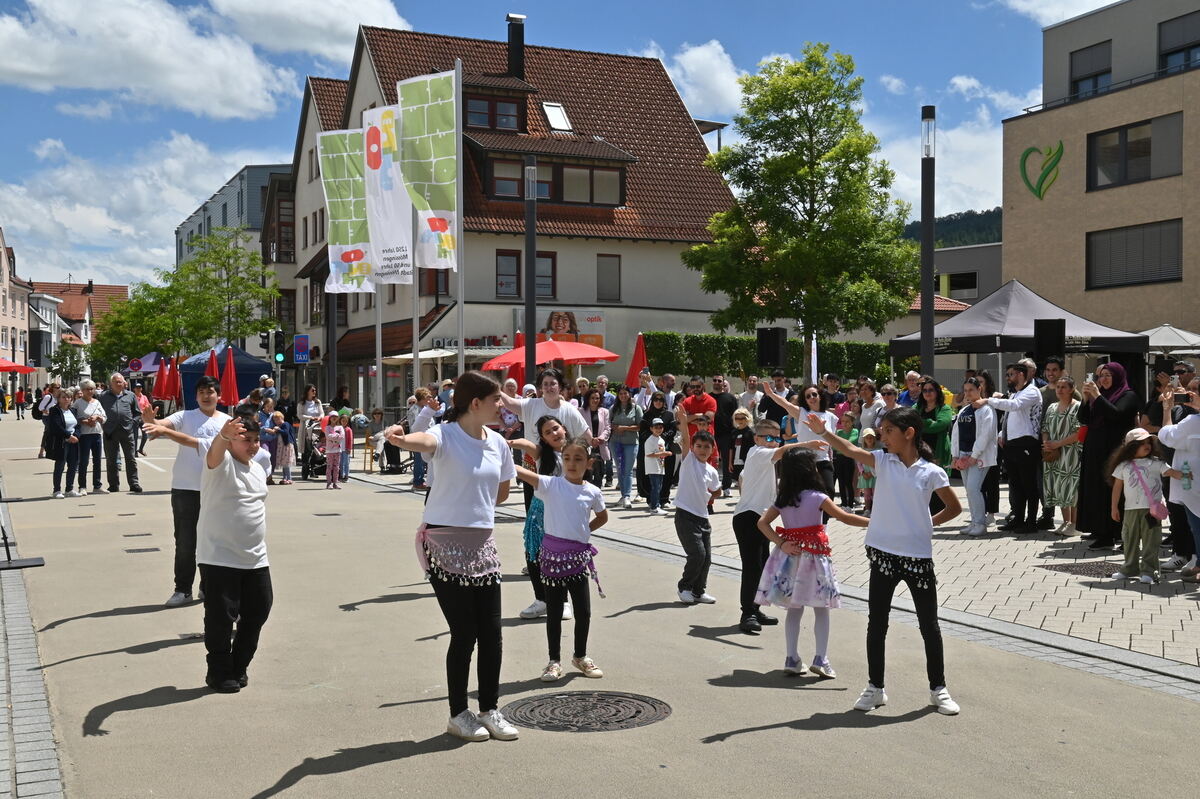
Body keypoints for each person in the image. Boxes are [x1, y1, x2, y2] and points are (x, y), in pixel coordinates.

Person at [383, 371, 520, 742]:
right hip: (444, 543)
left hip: (482, 544)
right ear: (475, 403)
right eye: (496, 400)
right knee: (465, 633)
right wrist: (399, 437)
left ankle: (490, 709)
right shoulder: (446, 434)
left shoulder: (499, 444)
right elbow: (422, 441)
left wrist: (473, 501)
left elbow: (502, 493)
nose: (502, 406)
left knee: (492, 633)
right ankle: (459, 713)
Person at [804, 407, 962, 715]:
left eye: (888, 431)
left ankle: (938, 689)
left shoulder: (932, 472)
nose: (882, 437)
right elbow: (849, 448)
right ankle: (875, 688)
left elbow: (954, 507)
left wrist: (928, 523)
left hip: (918, 558)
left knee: (929, 625)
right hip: (882, 554)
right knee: (877, 623)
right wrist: (823, 432)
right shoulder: (883, 461)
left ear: (909, 433)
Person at [172, 414, 273, 693]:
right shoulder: (220, 463)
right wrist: (224, 436)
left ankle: (239, 666)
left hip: (255, 557)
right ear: (232, 441)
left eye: (256, 440)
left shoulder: (257, 467)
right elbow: (215, 452)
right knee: (220, 618)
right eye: (246, 440)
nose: (252, 445)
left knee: (259, 611)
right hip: (219, 556)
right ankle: (218, 672)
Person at [756, 448, 868, 677]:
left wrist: (781, 542)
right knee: (821, 609)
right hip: (815, 558)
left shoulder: (783, 499)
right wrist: (873, 521)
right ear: (810, 470)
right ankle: (821, 658)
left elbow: (762, 523)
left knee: (794, 610)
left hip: (790, 558)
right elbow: (845, 517)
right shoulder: (818, 497)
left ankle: (791, 658)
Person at [512, 436, 609, 682]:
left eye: (578, 459)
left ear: (589, 463)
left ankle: (580, 656)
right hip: (552, 560)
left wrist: (584, 531)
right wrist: (493, 449)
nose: (571, 463)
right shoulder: (551, 485)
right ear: (561, 460)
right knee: (554, 612)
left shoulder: (592, 491)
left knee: (583, 612)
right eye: (566, 458)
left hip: (577, 559)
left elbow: (602, 517)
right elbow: (521, 471)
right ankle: (553, 661)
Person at [140, 375, 231, 606]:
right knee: (185, 541)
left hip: (216, 488)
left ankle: (207, 587)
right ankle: (183, 589)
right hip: (185, 488)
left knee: (212, 541)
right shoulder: (186, 416)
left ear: (218, 395)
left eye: (210, 391)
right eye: (201, 392)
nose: (206, 395)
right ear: (196, 396)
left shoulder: (227, 421)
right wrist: (152, 420)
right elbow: (162, 425)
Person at [731, 419, 819, 634]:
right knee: (752, 568)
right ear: (757, 438)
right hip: (747, 518)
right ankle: (747, 613)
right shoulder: (757, 452)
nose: (772, 443)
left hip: (760, 518)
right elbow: (783, 451)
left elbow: (744, 479)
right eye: (768, 438)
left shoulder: (763, 461)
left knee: (762, 567)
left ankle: (756, 608)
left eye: (776, 438)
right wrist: (806, 444)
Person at [510, 417, 573, 621]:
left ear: (564, 428)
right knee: (534, 555)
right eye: (548, 432)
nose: (554, 433)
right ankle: (542, 600)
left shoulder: (577, 452)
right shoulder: (542, 455)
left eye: (556, 429)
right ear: (544, 439)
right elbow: (526, 444)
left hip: (563, 511)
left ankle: (562, 602)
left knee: (560, 557)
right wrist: (509, 443)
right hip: (539, 511)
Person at [1077, 363, 1141, 549]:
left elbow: (1116, 414)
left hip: (1115, 451)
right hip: (1095, 450)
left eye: (1108, 375)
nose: (1103, 379)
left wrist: (1096, 396)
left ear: (1118, 377)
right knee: (1097, 491)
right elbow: (1084, 419)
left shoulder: (1128, 395)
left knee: (1116, 492)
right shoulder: (1101, 396)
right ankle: (1102, 532)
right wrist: (1086, 399)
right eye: (1101, 375)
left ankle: (1120, 533)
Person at [974, 363, 1042, 534]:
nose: (1007, 378)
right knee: (1015, 485)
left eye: (1010, 374)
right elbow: (1008, 416)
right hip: (1011, 444)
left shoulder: (1031, 391)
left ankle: (1031, 522)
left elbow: (1015, 406)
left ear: (1020, 374)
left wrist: (988, 400)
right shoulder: (1015, 393)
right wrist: (1000, 435)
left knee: (1029, 485)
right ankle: (1018, 519)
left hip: (1027, 443)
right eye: (1007, 374)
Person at [1107, 428, 1177, 585]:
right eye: (1142, 443)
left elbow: (1171, 472)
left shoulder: (1157, 463)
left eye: (1148, 443)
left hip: (1151, 511)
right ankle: (1129, 568)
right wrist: (1114, 507)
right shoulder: (1123, 466)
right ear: (1131, 447)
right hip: (1130, 510)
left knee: (1151, 541)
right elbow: (1117, 487)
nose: (1147, 446)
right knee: (1129, 539)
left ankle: (1149, 571)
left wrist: (1184, 474)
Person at [760, 381, 838, 508]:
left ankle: (822, 525)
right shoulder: (802, 413)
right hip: (804, 460)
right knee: (804, 495)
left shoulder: (831, 417)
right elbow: (784, 403)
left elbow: (833, 440)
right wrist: (770, 394)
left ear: (820, 396)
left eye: (814, 394)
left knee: (828, 492)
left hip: (824, 460)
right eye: (808, 396)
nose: (811, 398)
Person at [673, 403, 722, 604]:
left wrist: (714, 494)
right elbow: (685, 437)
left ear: (712, 449)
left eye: (706, 447)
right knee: (697, 554)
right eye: (699, 446)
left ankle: (698, 591)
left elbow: (716, 490)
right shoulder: (689, 460)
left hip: (703, 517)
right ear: (693, 448)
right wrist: (684, 420)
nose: (702, 450)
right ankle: (684, 587)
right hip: (685, 515)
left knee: (707, 558)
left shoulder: (710, 470)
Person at [1158, 384, 1200, 581]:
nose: (1189, 394)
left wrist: (1167, 408)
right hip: (1191, 478)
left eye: (1194, 391)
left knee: (1196, 523)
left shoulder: (1192, 421)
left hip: (1191, 480)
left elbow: (1167, 436)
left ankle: (1198, 564)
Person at [951, 376, 998, 536]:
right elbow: (956, 434)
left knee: (973, 488)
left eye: (971, 390)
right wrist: (955, 457)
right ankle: (974, 522)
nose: (968, 393)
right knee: (968, 490)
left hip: (979, 456)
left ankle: (980, 524)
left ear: (979, 389)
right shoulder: (964, 410)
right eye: (965, 391)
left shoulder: (986, 409)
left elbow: (985, 435)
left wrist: (973, 457)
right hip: (963, 455)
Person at [1042, 377, 1082, 535]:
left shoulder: (1078, 407)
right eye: (1058, 387)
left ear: (1072, 389)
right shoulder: (1052, 407)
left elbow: (1079, 433)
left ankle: (1075, 524)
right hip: (1053, 453)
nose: (1059, 390)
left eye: (1064, 387)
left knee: (1072, 488)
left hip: (1071, 455)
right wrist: (1046, 443)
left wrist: (1058, 444)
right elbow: (1044, 427)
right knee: (1058, 487)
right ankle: (1065, 522)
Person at [99, 373, 142, 493]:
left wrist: (133, 422)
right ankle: (113, 485)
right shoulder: (103, 396)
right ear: (111, 384)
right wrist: (103, 425)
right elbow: (98, 411)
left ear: (124, 383)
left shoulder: (131, 395)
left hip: (127, 431)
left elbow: (138, 413)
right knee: (111, 460)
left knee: (131, 458)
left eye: (120, 382)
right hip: (110, 431)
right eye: (116, 382)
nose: (118, 384)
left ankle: (134, 483)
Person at [636, 392, 676, 511]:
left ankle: (664, 499)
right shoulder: (647, 415)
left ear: (664, 402)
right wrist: (654, 437)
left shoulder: (669, 415)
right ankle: (651, 500)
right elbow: (642, 432)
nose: (658, 402)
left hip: (665, 449)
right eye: (655, 399)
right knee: (651, 476)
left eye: (661, 400)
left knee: (666, 475)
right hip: (650, 450)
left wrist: (661, 437)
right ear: (652, 401)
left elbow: (672, 430)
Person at [70, 379, 106, 496]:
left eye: (92, 389)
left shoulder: (97, 402)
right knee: (84, 461)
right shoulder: (77, 403)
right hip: (84, 435)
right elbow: (73, 418)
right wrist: (84, 421)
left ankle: (97, 485)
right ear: (82, 390)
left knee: (97, 461)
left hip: (96, 434)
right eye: (87, 389)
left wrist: (98, 418)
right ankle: (82, 486)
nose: (90, 391)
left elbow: (104, 417)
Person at [609, 386, 643, 508]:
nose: (623, 395)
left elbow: (640, 426)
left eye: (625, 393)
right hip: (615, 442)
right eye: (621, 393)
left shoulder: (636, 408)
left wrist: (626, 428)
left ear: (629, 394)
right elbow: (609, 424)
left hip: (631, 442)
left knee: (627, 470)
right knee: (619, 470)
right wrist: (615, 427)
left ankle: (627, 496)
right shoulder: (614, 408)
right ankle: (623, 495)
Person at [709, 375, 740, 497]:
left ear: (723, 383)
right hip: (711, 434)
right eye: (715, 380)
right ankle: (712, 486)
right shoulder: (708, 397)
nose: (717, 382)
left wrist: (735, 432)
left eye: (719, 381)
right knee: (712, 460)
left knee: (727, 461)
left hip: (727, 434)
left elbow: (735, 416)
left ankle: (726, 486)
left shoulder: (730, 398)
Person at [46, 389, 79, 499]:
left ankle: (69, 489)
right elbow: (56, 426)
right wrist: (68, 436)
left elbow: (77, 425)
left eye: (69, 397)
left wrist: (76, 436)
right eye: (63, 397)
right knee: (60, 466)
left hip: (73, 442)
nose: (66, 399)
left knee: (73, 466)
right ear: (59, 399)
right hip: (62, 442)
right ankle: (57, 490)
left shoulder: (73, 410)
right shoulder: (54, 410)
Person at [577, 388, 610, 490]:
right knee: (587, 473)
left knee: (599, 474)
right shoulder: (580, 411)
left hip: (599, 445)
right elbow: (579, 428)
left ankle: (597, 495)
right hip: (586, 445)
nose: (595, 400)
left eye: (597, 398)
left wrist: (600, 438)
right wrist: (591, 439)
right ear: (588, 399)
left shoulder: (604, 412)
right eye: (592, 398)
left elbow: (608, 428)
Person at [643, 417, 669, 515]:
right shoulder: (650, 440)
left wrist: (664, 453)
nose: (658, 429)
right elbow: (649, 454)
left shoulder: (661, 440)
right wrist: (664, 454)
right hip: (653, 467)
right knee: (655, 487)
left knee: (659, 487)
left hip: (660, 466)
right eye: (656, 427)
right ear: (651, 428)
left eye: (660, 427)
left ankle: (656, 505)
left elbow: (660, 452)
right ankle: (654, 507)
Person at [833, 412, 859, 509]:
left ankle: (850, 505)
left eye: (847, 421)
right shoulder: (839, 432)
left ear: (852, 422)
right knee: (841, 482)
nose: (844, 423)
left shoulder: (855, 431)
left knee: (848, 482)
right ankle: (844, 503)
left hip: (849, 458)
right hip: (839, 459)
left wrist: (840, 446)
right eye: (843, 421)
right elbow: (833, 446)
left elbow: (850, 442)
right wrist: (841, 447)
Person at [298, 385, 322, 480]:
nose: (314, 392)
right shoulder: (302, 403)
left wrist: (319, 418)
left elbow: (322, 413)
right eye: (312, 390)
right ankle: (305, 471)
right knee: (307, 449)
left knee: (315, 448)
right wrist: (310, 417)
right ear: (307, 391)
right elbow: (299, 415)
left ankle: (313, 470)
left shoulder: (317, 402)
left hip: (316, 428)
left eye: (315, 390)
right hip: (306, 428)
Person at [729, 408, 755, 488]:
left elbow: (753, 448)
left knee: (746, 481)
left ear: (747, 418)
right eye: (737, 418)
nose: (740, 420)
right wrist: (730, 462)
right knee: (739, 481)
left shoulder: (750, 433)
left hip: (746, 460)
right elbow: (731, 448)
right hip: (736, 460)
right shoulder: (734, 432)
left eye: (742, 418)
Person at [271, 410, 296, 484]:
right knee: (284, 462)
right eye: (275, 420)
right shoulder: (280, 426)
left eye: (278, 419)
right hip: (282, 446)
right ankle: (284, 477)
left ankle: (289, 478)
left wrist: (278, 430)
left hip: (286, 445)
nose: (277, 421)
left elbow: (285, 432)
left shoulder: (285, 424)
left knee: (286, 462)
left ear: (282, 418)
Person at [857, 429, 878, 515]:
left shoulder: (878, 451)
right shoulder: (861, 451)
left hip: (875, 475)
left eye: (871, 438)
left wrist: (873, 473)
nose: (869, 440)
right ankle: (867, 509)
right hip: (865, 475)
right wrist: (862, 472)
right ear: (864, 440)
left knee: (875, 493)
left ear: (874, 439)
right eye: (867, 438)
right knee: (866, 493)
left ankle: (875, 510)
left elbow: (878, 463)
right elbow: (859, 463)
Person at [323, 411, 344, 489]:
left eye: (335, 416)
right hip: (329, 450)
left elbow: (342, 436)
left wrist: (334, 436)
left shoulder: (340, 427)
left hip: (338, 450)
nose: (334, 418)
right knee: (329, 467)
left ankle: (335, 482)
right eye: (332, 416)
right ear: (330, 418)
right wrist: (337, 436)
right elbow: (328, 436)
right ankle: (329, 483)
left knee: (337, 467)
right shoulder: (327, 427)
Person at [131, 381, 152, 454]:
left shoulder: (144, 397)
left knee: (145, 435)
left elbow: (148, 405)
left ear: (141, 389)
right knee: (135, 436)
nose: (138, 389)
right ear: (134, 389)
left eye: (139, 387)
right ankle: (135, 452)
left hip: (143, 418)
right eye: (137, 388)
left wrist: (148, 411)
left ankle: (140, 449)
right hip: (135, 417)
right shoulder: (132, 397)